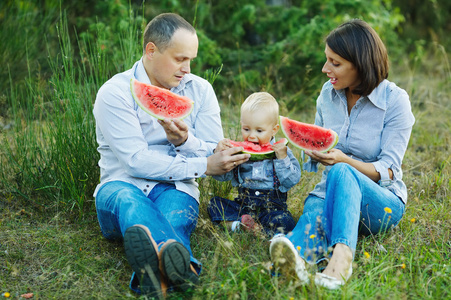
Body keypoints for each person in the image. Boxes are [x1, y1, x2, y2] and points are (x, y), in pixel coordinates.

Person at [93, 13, 250, 298]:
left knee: (174, 217)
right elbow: (135, 160)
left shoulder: (200, 90)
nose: (187, 69)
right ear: (151, 50)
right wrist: (202, 164)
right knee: (132, 204)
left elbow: (213, 147)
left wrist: (186, 141)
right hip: (120, 187)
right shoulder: (114, 93)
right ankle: (184, 268)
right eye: (180, 59)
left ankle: (158, 279)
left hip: (175, 188)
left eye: (191, 60)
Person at [269, 19, 415, 289]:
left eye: (335, 63)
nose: (325, 69)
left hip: (380, 204)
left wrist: (344, 161)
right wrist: (310, 154)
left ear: (360, 64)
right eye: (326, 60)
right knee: (312, 216)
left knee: (341, 170)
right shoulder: (328, 94)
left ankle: (342, 261)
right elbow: (316, 152)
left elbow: (390, 170)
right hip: (329, 193)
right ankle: (293, 259)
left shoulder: (395, 101)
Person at [208, 92, 301, 236]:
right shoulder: (238, 152)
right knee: (214, 204)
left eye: (259, 130)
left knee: (285, 220)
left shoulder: (282, 152)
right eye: (246, 129)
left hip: (272, 209)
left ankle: (268, 236)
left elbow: (291, 181)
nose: (251, 136)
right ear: (241, 125)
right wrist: (220, 155)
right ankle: (238, 225)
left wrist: (282, 159)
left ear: (274, 130)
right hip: (243, 207)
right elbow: (222, 177)